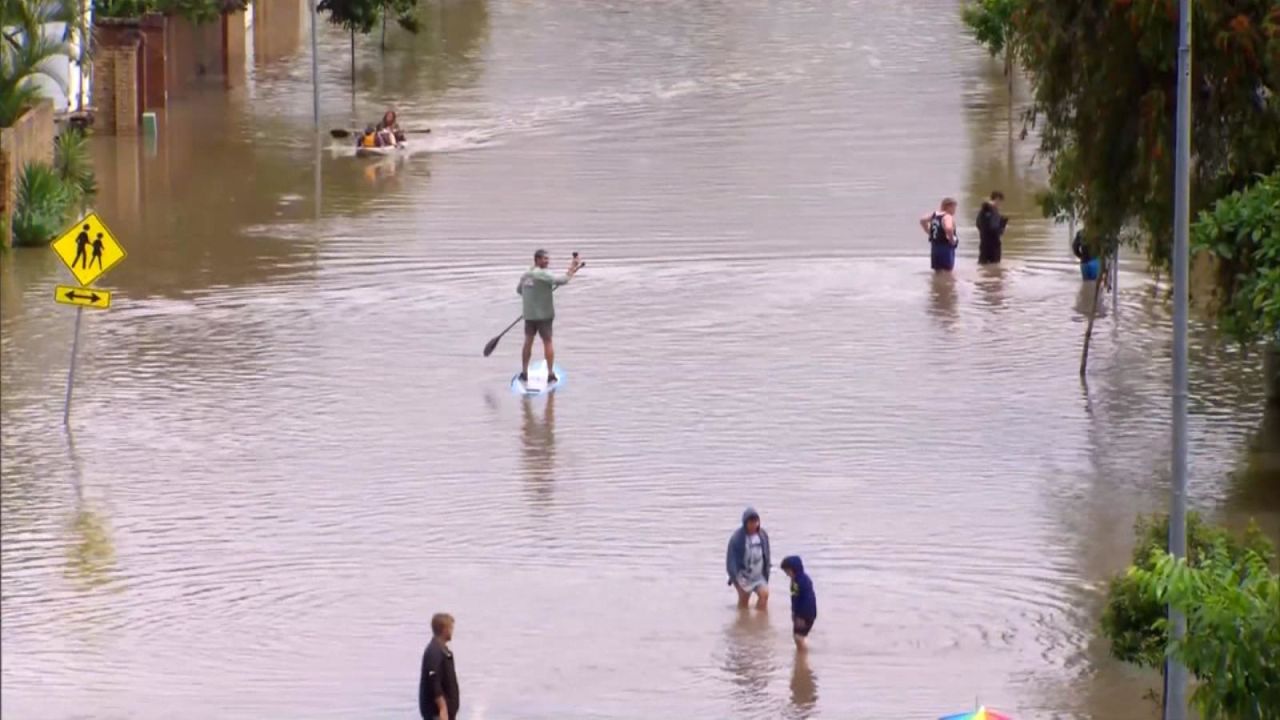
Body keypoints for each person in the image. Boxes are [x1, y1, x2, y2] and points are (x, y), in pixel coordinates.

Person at [516, 249, 582, 384]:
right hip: (544, 316)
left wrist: (534, 295)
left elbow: (519, 291)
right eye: (545, 259)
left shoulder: (526, 274)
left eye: (547, 259)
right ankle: (550, 375)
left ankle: (524, 373)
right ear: (537, 260)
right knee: (548, 342)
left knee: (528, 341)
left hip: (529, 315)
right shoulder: (543, 274)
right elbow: (563, 280)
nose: (547, 261)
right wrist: (573, 267)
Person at [726, 507, 771, 610]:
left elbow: (767, 554)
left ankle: (760, 622)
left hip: (758, 575)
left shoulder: (762, 535)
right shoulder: (737, 539)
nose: (753, 525)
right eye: (750, 522)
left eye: (755, 522)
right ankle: (742, 622)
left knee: (764, 595)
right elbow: (731, 562)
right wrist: (735, 579)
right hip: (742, 576)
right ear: (745, 523)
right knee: (744, 600)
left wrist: (767, 571)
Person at [419, 613, 460, 720]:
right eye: (450, 628)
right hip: (437, 714)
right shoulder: (434, 651)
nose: (452, 631)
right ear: (444, 629)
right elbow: (433, 679)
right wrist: (442, 708)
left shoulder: (443, 651)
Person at [780, 556, 817, 650]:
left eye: (787, 572)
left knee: (798, 638)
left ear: (793, 570)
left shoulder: (797, 582)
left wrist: (799, 616)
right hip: (808, 613)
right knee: (799, 637)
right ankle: (801, 657)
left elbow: (800, 600)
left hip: (804, 614)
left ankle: (802, 659)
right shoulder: (803, 579)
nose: (787, 575)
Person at [920, 197, 959, 272]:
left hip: (935, 248)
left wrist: (929, 232)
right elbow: (949, 228)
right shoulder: (947, 217)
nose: (955, 210)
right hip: (945, 248)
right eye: (954, 208)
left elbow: (922, 220)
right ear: (948, 207)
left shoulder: (934, 215)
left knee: (937, 272)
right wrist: (952, 240)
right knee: (947, 272)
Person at [975, 191, 1008, 265]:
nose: (1000, 204)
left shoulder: (995, 213)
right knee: (988, 263)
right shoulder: (986, 209)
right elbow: (980, 224)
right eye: (1000, 201)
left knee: (992, 264)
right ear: (996, 199)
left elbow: (978, 224)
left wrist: (1002, 225)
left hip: (990, 242)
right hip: (989, 243)